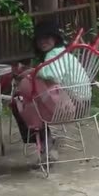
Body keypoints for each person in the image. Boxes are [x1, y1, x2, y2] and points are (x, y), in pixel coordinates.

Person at [10, 21, 91, 160]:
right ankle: (45, 144)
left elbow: (53, 76)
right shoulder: (62, 53)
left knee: (22, 103)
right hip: (83, 104)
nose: (43, 41)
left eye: (47, 37)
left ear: (55, 38)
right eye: (40, 39)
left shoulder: (55, 54)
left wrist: (33, 72)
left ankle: (43, 145)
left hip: (72, 106)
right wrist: (35, 71)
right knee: (30, 99)